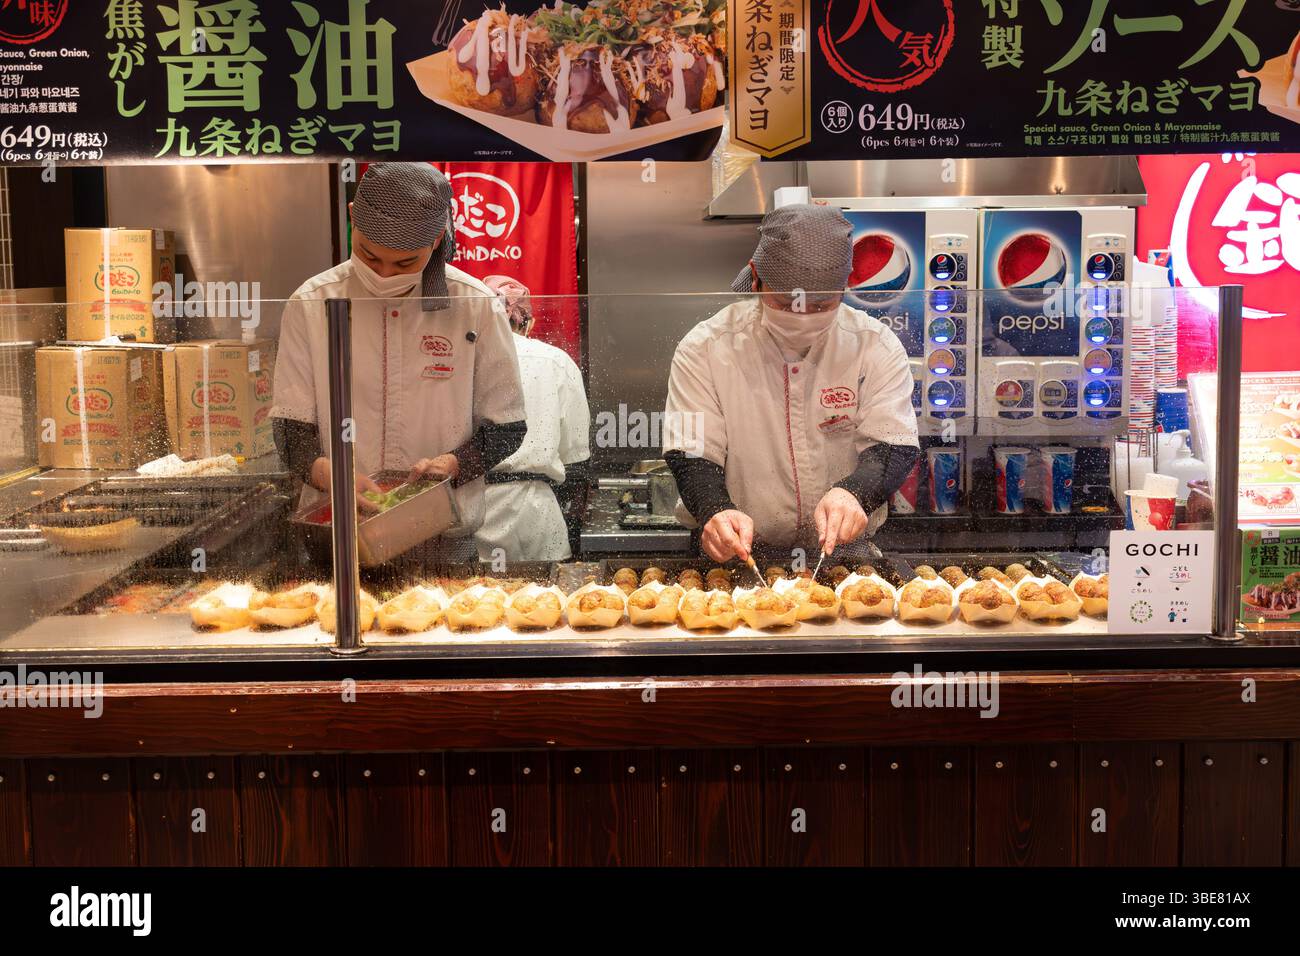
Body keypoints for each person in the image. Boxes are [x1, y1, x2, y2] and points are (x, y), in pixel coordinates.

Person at [270, 163, 526, 560]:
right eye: (370, 257)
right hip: (338, 539)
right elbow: (290, 430)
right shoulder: (312, 302)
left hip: (442, 540)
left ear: (437, 239)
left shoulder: (473, 305)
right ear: (354, 217)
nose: (385, 273)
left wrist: (455, 463)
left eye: (405, 263)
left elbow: (508, 426)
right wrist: (331, 476)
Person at [663, 203, 920, 565]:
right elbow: (691, 450)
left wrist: (855, 494)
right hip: (737, 553)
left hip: (842, 553)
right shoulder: (705, 347)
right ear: (755, 278)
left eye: (821, 305)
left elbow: (893, 442)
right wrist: (715, 509)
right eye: (786, 302)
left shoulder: (874, 344)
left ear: (845, 289)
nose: (803, 316)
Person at [474, 275, 591, 561]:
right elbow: (575, 454)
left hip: (473, 510)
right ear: (528, 321)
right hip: (536, 513)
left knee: (475, 601)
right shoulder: (556, 361)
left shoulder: (464, 359)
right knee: (546, 602)